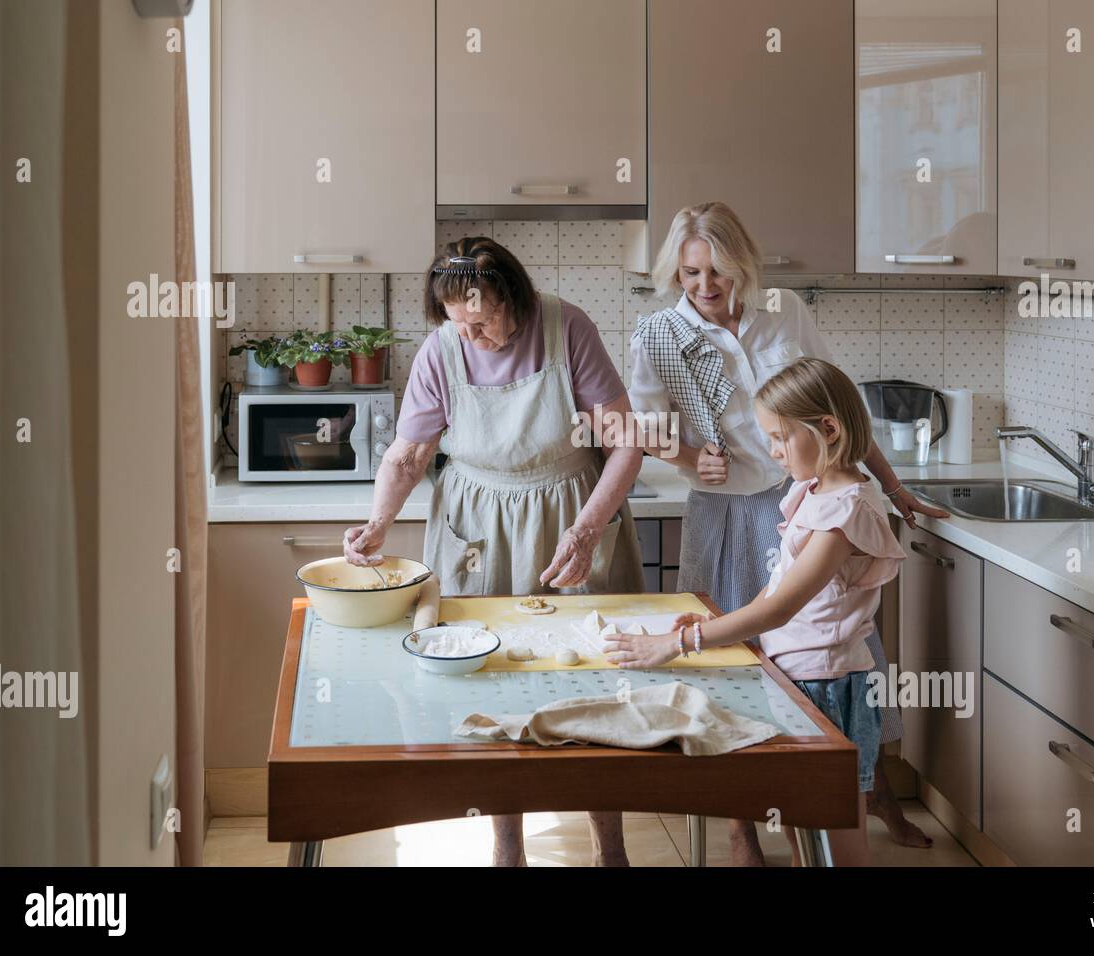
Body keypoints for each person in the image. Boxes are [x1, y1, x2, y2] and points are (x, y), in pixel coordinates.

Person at [627, 202, 941, 860]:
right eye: (689, 274)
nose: (705, 288)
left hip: (804, 496)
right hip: (726, 509)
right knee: (737, 666)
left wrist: (891, 484)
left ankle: (867, 790)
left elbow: (836, 402)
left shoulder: (784, 308)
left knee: (840, 652)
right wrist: (689, 458)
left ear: (743, 265)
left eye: (718, 273)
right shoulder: (657, 334)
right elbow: (646, 431)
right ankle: (746, 828)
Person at [343, 236, 645, 866]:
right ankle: (508, 848)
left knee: (591, 682)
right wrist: (376, 524)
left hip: (570, 515)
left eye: (481, 321)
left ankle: (608, 847)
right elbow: (408, 453)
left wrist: (588, 530)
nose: (471, 336)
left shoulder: (568, 327)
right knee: (483, 692)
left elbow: (626, 444)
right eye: (459, 324)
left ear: (517, 299)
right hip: (475, 525)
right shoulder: (442, 348)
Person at [607, 357, 907, 865]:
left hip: (829, 687)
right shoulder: (813, 491)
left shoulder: (845, 511)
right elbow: (774, 591)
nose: (771, 452)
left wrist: (678, 643)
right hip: (800, 676)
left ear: (828, 428)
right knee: (799, 819)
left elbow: (782, 609)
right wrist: (712, 625)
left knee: (834, 828)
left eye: (779, 438)